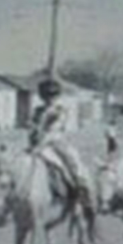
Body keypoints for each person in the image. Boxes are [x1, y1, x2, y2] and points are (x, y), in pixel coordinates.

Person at [28, 78, 96, 222]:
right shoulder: (37, 111)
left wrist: (40, 141)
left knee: (72, 162)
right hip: (37, 144)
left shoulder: (59, 111)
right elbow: (33, 128)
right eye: (46, 96)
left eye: (52, 96)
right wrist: (33, 139)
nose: (49, 99)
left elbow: (53, 131)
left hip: (56, 142)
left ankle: (81, 191)